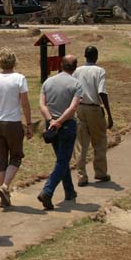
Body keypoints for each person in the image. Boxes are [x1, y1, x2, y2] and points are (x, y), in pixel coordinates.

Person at [37, 55, 83, 210]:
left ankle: (69, 191)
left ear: (61, 65)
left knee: (61, 159)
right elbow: (72, 108)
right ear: (75, 67)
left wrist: (51, 121)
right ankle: (47, 191)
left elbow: (42, 105)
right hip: (67, 125)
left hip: (51, 125)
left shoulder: (48, 82)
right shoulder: (76, 84)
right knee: (63, 160)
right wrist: (60, 122)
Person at [0, 48, 33, 207]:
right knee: (16, 156)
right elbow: (25, 104)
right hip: (13, 122)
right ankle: (5, 186)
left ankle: (3, 196)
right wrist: (29, 124)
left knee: (0, 159)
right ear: (14, 61)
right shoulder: (19, 78)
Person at [73, 45, 113, 187]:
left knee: (80, 144)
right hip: (94, 108)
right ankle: (100, 172)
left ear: (85, 56)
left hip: (79, 108)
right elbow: (102, 92)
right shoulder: (99, 71)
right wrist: (108, 113)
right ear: (96, 57)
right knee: (100, 140)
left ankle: (81, 176)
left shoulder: (77, 71)